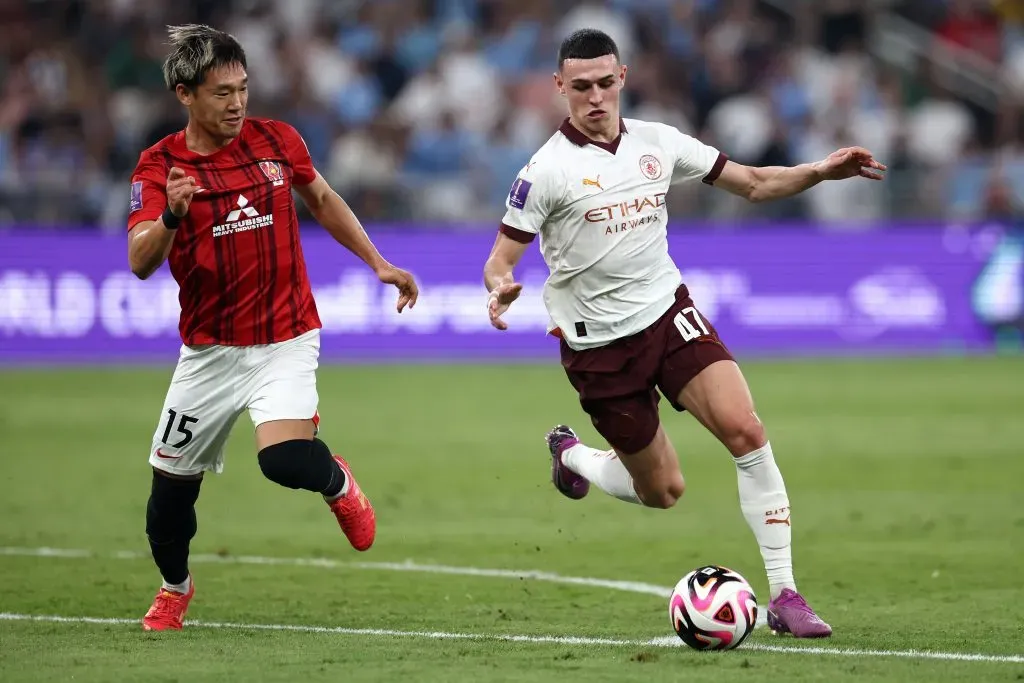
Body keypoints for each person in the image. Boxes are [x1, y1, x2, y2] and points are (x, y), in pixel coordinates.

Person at [483, 29, 885, 639]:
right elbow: (499, 260)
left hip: (669, 315)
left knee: (746, 430)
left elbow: (754, 183)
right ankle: (573, 455)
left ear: (623, 78)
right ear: (560, 87)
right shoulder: (545, 173)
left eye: (606, 83)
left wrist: (820, 172)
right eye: (581, 87)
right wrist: (501, 287)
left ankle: (785, 594)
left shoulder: (659, 142)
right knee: (663, 491)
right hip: (599, 348)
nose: (596, 97)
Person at [127, 24, 419, 632]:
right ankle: (175, 588)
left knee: (284, 460)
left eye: (243, 88)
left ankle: (338, 482)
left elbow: (323, 200)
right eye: (221, 93)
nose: (237, 103)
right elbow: (139, 261)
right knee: (168, 499)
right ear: (185, 94)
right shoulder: (160, 166)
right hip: (209, 353)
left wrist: (379, 263)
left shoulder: (277, 140)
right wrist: (173, 217)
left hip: (286, 336)